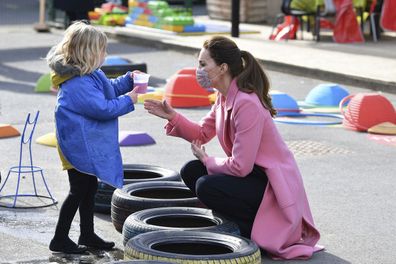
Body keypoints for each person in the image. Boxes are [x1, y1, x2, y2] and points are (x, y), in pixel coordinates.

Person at [144, 36, 322, 260]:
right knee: (191, 170)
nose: (198, 70)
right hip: (252, 176)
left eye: (202, 64)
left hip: (271, 186)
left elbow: (240, 167)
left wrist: (209, 161)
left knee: (206, 184)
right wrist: (173, 116)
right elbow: (202, 133)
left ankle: (252, 232)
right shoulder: (223, 96)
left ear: (223, 68)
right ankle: (233, 224)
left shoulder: (246, 103)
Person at [46, 21, 139, 254]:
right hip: (76, 146)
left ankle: (87, 233)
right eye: (102, 50)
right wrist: (130, 100)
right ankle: (59, 238)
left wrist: (128, 81)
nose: (105, 55)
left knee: (89, 189)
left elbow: (108, 89)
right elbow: (103, 108)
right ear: (87, 53)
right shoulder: (77, 83)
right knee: (78, 189)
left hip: (84, 143)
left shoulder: (91, 74)